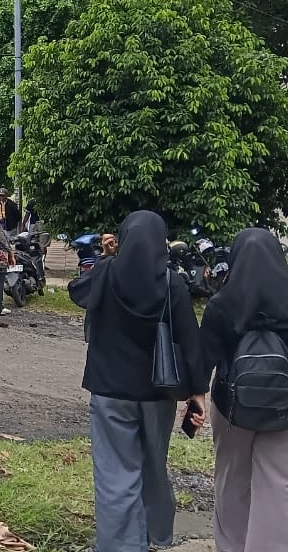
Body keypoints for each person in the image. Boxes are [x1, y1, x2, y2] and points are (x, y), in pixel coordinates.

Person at [67, 210, 208, 552]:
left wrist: (107, 256)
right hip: (157, 393)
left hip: (109, 390)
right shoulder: (171, 281)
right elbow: (190, 338)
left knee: (116, 474)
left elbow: (76, 292)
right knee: (153, 466)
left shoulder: (106, 272)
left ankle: (121, 545)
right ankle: (156, 535)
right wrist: (198, 393)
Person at [199, 228, 288, 552]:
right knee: (279, 484)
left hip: (231, 408)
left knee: (231, 480)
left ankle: (231, 546)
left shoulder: (223, 303)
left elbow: (204, 357)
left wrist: (196, 397)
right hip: (286, 409)